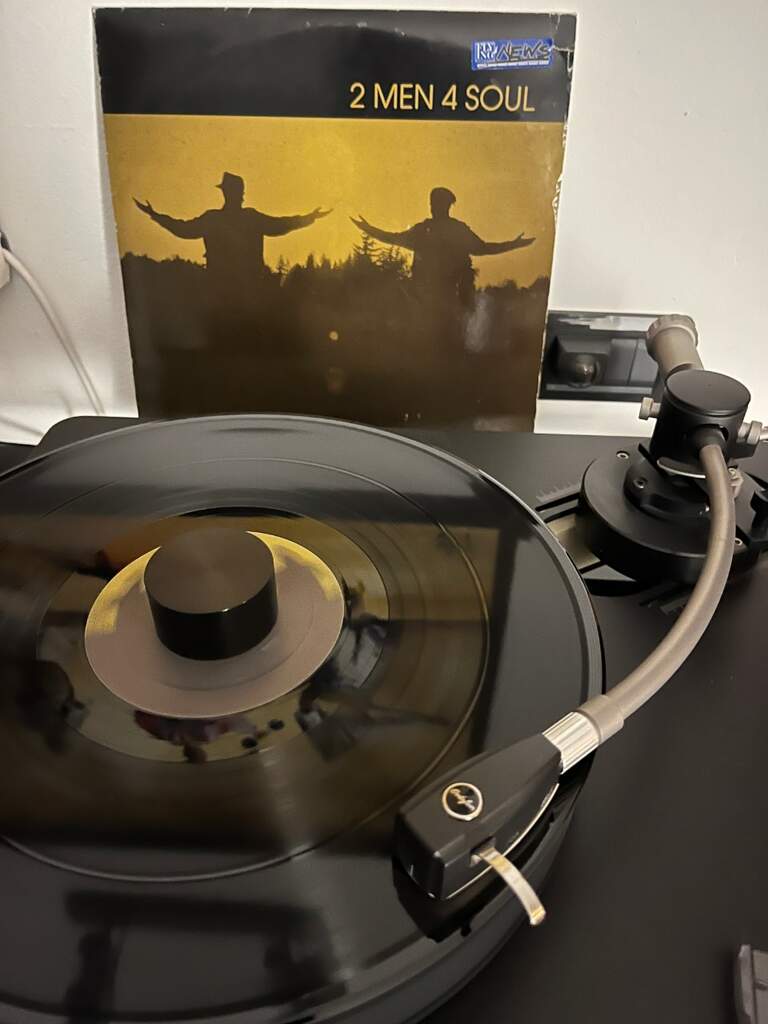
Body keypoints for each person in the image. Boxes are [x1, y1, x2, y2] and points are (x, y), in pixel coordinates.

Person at [134, 172, 331, 289]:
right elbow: (282, 225)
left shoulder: (213, 219)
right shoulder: (250, 218)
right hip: (248, 292)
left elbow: (183, 229)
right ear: (239, 193)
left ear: (225, 193)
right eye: (238, 192)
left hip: (220, 290)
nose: (239, 196)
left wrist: (155, 215)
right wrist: (309, 218)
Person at [351, 186, 534, 309]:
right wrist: (514, 244)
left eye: (435, 203)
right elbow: (483, 248)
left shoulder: (430, 230)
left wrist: (368, 229)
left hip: (441, 300)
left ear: (443, 206)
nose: (433, 207)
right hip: (438, 301)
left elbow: (393, 238)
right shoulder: (450, 230)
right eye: (433, 203)